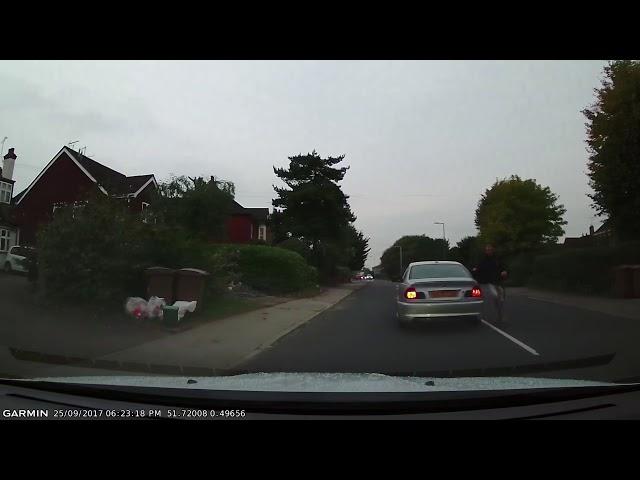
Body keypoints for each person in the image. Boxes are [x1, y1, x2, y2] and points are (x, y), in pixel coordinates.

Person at [472, 244, 508, 322]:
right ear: (485, 251)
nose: (489, 251)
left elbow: (503, 266)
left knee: (501, 299)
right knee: (495, 296)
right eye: (487, 250)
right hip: (490, 282)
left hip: (499, 281)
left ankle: (500, 314)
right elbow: (479, 268)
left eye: (490, 250)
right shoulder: (483, 260)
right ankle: (500, 315)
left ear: (493, 250)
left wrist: (504, 271)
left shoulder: (497, 259)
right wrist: (475, 271)